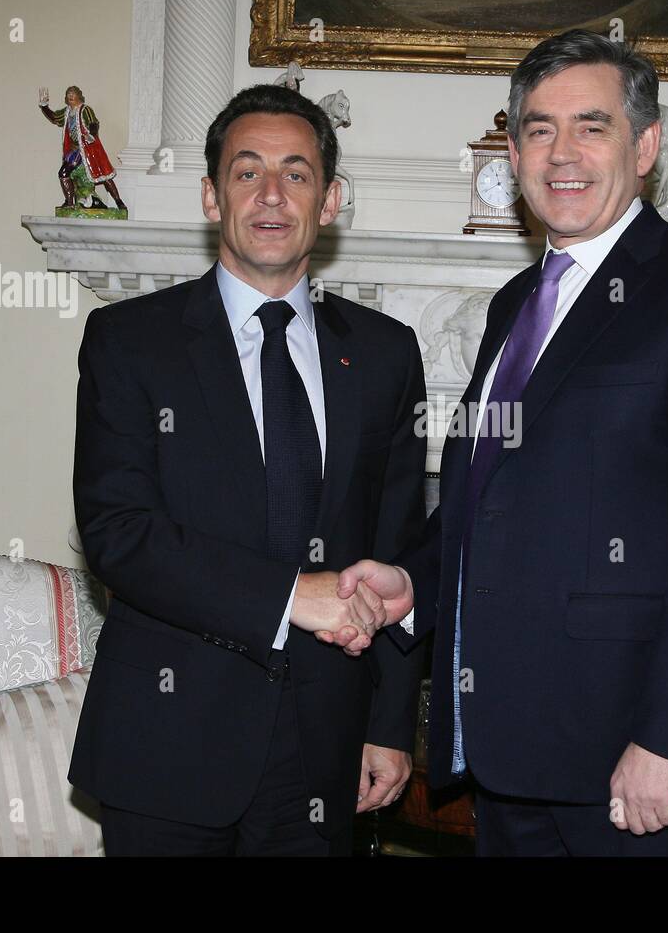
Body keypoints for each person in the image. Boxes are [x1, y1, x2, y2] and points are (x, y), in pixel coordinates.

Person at [338, 30, 668, 855]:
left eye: (592, 125)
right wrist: (413, 580)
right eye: (539, 129)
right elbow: (484, 502)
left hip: (645, 776)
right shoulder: (516, 304)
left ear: (646, 144)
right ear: (512, 153)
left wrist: (667, 741)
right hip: (513, 765)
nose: (562, 152)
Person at [68, 84, 427, 855]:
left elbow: (400, 549)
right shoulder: (129, 343)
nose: (272, 194)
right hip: (168, 747)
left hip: (326, 754)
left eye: (297, 174)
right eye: (247, 171)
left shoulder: (387, 354)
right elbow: (119, 535)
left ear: (328, 202)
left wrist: (390, 726)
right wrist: (297, 597)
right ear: (211, 195)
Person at [38, 85, 127, 211]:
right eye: (68, 93)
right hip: (75, 150)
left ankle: (119, 202)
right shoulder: (67, 112)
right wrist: (44, 106)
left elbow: (93, 123)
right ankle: (69, 202)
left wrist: (92, 134)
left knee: (103, 175)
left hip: (89, 149)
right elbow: (55, 118)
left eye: (73, 93)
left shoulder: (85, 110)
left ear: (79, 96)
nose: (70, 96)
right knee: (64, 173)